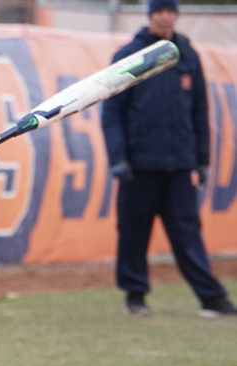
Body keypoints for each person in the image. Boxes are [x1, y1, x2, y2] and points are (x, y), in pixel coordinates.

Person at [101, 0, 237, 317]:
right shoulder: (128, 57)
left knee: (187, 231)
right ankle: (135, 295)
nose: (166, 17)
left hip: (180, 163)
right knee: (134, 231)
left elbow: (201, 110)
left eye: (171, 12)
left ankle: (211, 297)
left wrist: (201, 158)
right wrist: (118, 157)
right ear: (150, 15)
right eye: (160, 11)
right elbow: (112, 113)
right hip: (139, 165)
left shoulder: (187, 55)